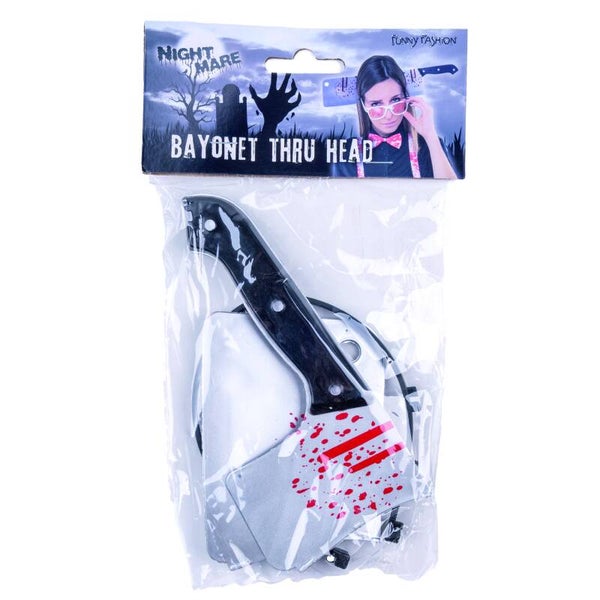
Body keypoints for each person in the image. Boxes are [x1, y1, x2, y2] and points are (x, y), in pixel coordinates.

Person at [332, 55, 457, 179]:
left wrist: (431, 136)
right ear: (363, 105)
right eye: (376, 104)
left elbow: (450, 189)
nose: (389, 115)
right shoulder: (346, 152)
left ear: (406, 97)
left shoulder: (427, 145)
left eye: (396, 100)